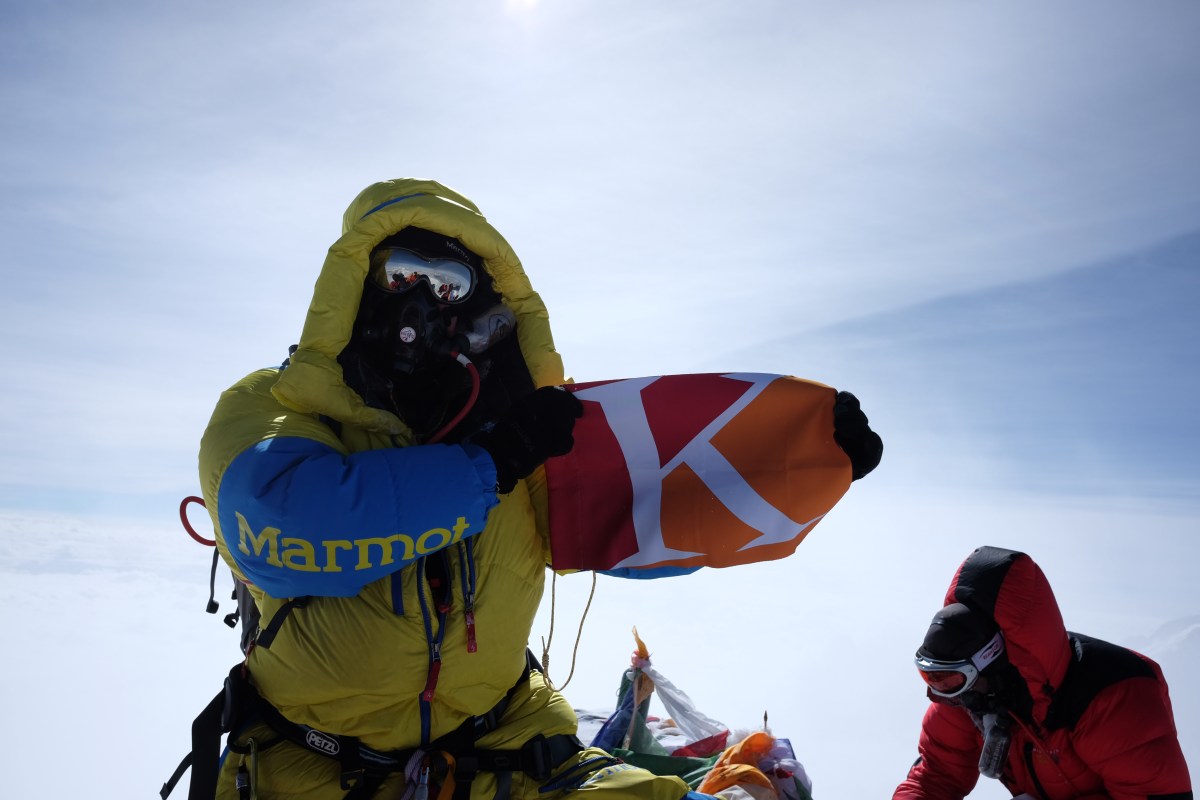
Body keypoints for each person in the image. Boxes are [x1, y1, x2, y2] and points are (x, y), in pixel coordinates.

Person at [169, 178, 883, 800]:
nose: (419, 302)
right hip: (309, 769)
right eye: (400, 274)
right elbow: (288, 525)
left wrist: (805, 454)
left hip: (504, 750)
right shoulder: (275, 407)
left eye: (447, 284)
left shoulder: (517, 423)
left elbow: (638, 502)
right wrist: (490, 462)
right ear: (351, 285)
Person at [893, 545, 1192, 800]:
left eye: (949, 678)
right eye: (931, 676)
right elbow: (935, 777)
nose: (939, 692)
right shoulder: (968, 696)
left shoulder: (1111, 697)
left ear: (989, 661)